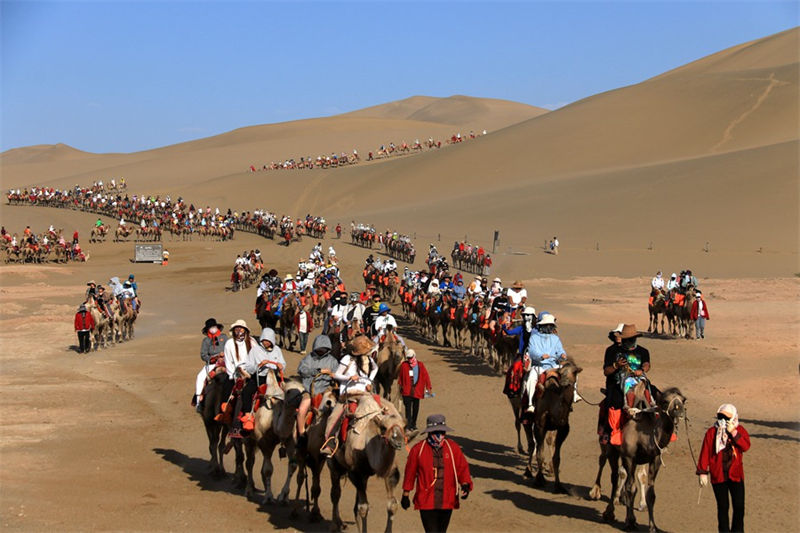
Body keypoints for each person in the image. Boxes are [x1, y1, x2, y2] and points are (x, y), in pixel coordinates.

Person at [401, 414, 473, 533]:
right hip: (426, 500)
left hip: (447, 499)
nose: (439, 435)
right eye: (436, 432)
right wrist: (405, 494)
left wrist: (465, 484)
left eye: (441, 431)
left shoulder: (453, 448)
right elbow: (410, 473)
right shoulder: (418, 450)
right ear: (429, 432)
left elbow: (462, 467)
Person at [320, 336, 378, 456]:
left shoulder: (368, 359)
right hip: (348, 394)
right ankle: (330, 444)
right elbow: (336, 375)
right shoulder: (347, 359)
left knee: (379, 410)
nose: (368, 353)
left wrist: (368, 381)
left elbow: (375, 369)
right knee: (333, 418)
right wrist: (349, 378)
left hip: (364, 394)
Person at [697, 404, 750, 533]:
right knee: (723, 507)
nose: (723, 420)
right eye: (721, 416)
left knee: (738, 507)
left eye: (726, 417)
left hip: (736, 475)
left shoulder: (740, 430)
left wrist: (734, 433)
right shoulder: (712, 432)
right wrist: (702, 472)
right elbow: (705, 452)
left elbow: (746, 446)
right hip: (718, 476)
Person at [295, 335, 340, 444]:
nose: (321, 350)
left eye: (324, 348)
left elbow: (337, 375)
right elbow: (301, 370)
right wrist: (317, 371)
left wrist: (331, 374)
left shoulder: (333, 361)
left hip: (326, 390)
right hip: (310, 389)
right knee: (302, 409)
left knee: (333, 409)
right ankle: (301, 434)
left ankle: (332, 435)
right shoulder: (308, 358)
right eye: (319, 348)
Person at [523, 312, 568, 413]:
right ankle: (530, 403)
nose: (549, 327)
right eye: (547, 325)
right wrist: (541, 356)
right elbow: (532, 351)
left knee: (570, 375)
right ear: (542, 326)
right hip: (539, 365)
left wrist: (562, 355)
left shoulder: (555, 338)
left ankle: (570, 399)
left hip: (553, 365)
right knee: (531, 379)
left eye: (550, 326)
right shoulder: (534, 338)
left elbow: (560, 350)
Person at [194, 318, 227, 410]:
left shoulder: (224, 337)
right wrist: (215, 357)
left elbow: (229, 349)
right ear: (208, 329)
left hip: (225, 362)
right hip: (212, 363)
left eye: (214, 326)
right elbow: (203, 355)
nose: (213, 328)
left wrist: (224, 355)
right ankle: (198, 402)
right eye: (211, 327)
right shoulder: (206, 341)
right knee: (200, 377)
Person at [398, 349, 432, 430]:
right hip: (407, 392)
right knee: (408, 409)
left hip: (417, 391)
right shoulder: (404, 365)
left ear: (414, 356)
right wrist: (400, 386)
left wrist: (428, 387)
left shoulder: (420, 365)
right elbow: (401, 377)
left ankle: (414, 424)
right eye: (408, 358)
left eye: (411, 357)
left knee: (415, 409)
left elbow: (426, 376)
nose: (409, 359)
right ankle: (409, 425)